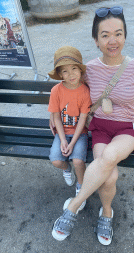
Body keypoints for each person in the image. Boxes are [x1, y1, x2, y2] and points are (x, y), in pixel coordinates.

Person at [51, 6, 134, 245]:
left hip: (128, 128)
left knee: (109, 155)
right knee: (109, 176)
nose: (113, 40)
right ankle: (107, 213)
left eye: (118, 33)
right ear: (96, 40)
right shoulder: (87, 70)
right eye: (105, 35)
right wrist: (54, 116)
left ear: (125, 36)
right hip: (100, 127)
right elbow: (68, 91)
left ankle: (73, 207)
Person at [48, 46, 92, 231]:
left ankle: (80, 188)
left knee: (78, 160)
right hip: (62, 132)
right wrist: (63, 139)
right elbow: (56, 117)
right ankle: (67, 170)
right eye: (64, 71)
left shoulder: (84, 91)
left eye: (74, 68)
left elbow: (83, 119)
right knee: (56, 160)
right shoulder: (56, 91)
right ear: (59, 74)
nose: (70, 74)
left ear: (80, 70)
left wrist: (72, 141)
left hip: (79, 133)